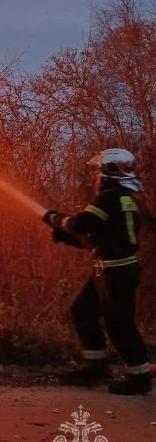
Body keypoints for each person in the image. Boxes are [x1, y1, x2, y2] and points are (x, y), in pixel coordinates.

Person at [43, 148, 151, 395]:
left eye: (101, 171)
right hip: (110, 268)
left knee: (119, 323)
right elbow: (98, 238)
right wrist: (66, 236)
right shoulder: (127, 199)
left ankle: (140, 377)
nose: (97, 177)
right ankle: (97, 368)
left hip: (116, 271)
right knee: (82, 311)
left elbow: (81, 224)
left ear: (111, 172)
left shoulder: (109, 198)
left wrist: (56, 219)